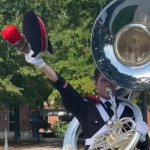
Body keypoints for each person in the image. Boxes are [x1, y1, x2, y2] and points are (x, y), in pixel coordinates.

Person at [1, 12, 149, 149]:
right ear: (95, 84)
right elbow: (62, 86)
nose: (109, 84)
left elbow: (143, 147)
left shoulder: (129, 110)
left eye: (111, 80)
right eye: (104, 80)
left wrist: (142, 137)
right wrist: (42, 64)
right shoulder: (86, 107)